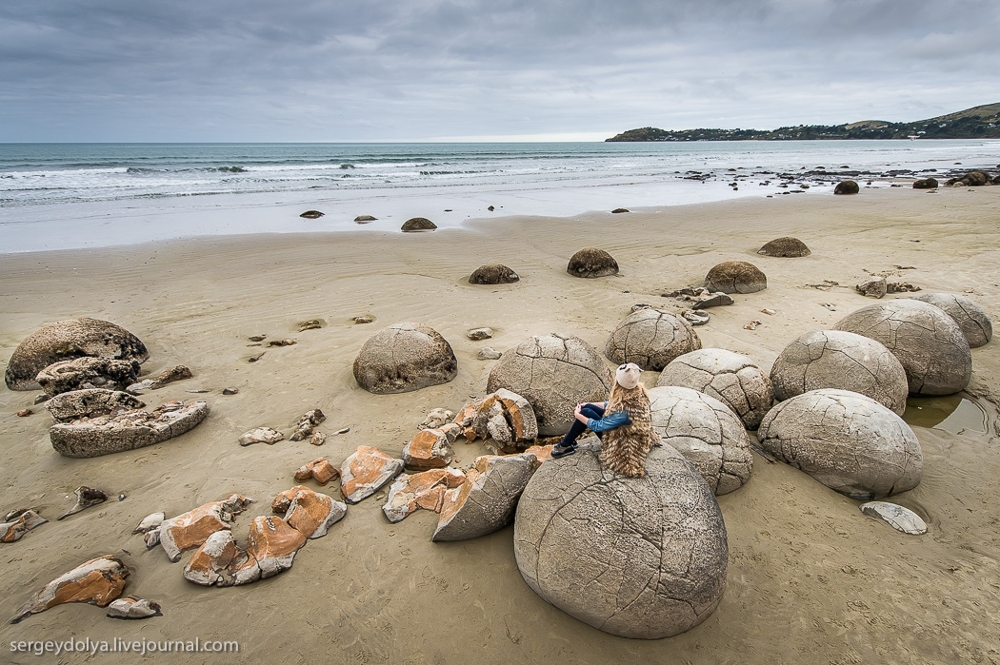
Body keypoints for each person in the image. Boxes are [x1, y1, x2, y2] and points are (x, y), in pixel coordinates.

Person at [550, 363, 659, 477]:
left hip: (621, 443)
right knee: (588, 408)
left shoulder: (624, 412)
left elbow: (598, 426)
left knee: (585, 413)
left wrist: (577, 415)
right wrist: (589, 404)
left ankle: (564, 445)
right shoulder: (637, 392)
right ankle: (568, 441)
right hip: (628, 433)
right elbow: (611, 405)